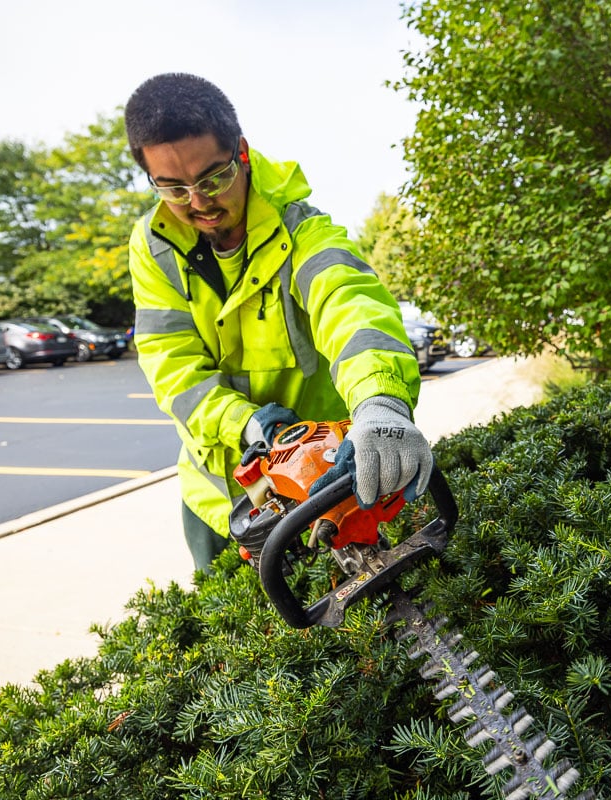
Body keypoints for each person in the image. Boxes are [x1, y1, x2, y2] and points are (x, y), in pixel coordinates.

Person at [123, 73, 432, 572]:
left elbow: (351, 304)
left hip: (329, 482)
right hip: (222, 499)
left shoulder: (301, 228)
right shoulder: (153, 248)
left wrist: (381, 401)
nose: (199, 202)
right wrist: (243, 424)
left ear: (241, 152)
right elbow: (171, 366)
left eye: (213, 178)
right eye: (174, 187)